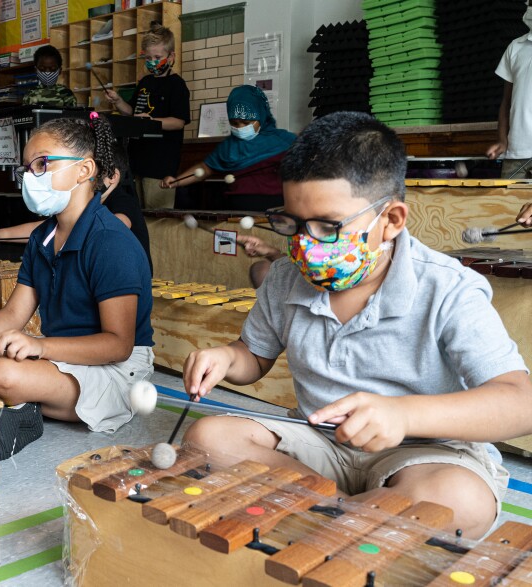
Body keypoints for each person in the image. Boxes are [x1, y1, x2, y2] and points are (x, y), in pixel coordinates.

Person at [182, 111, 532, 540]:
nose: (306, 244)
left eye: (328, 227)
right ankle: (351, 516)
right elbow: (253, 356)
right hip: (319, 446)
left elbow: (520, 402)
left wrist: (402, 415)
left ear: (391, 220)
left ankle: (322, 514)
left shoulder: (448, 287)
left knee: (460, 498)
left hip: (424, 454)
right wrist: (224, 358)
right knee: (206, 439)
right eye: (293, 224)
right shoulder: (286, 277)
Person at [0, 115, 154, 440]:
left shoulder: (110, 241)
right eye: (27, 169)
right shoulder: (43, 237)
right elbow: (14, 314)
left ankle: (14, 400)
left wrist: (39, 347)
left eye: (42, 165)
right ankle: (16, 399)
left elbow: (118, 345)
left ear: (84, 170)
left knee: (0, 372)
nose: (31, 177)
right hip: (57, 354)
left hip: (114, 369)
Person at [0, 142, 152, 271]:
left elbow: (113, 228)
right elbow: (49, 229)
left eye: (94, 172)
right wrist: (2, 234)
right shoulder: (85, 204)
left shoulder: (122, 200)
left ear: (113, 177)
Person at [161, 85, 296, 211]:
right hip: (236, 211)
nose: (240, 127)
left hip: (275, 212)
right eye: (234, 123)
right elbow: (205, 168)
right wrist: (177, 182)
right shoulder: (229, 146)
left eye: (246, 122)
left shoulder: (285, 141)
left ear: (261, 116)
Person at [105, 24, 190, 209]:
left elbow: (178, 122)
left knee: (159, 218)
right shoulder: (145, 82)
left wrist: (151, 123)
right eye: (148, 58)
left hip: (160, 165)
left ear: (171, 57)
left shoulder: (177, 85)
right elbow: (132, 113)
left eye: (158, 58)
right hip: (137, 161)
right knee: (139, 215)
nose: (152, 62)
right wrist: (118, 101)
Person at [486, 7, 532, 178]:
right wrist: (502, 141)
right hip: (516, 153)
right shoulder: (515, 47)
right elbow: (507, 102)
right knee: (505, 203)